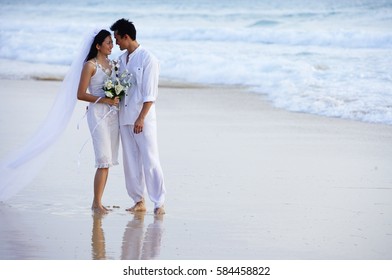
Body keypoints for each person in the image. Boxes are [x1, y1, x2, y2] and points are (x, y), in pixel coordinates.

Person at [110, 19, 166, 215]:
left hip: (143, 119)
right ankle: (138, 201)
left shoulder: (148, 59)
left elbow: (150, 94)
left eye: (117, 38)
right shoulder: (120, 60)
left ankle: (159, 203)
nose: (116, 42)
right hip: (124, 116)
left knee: (150, 160)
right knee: (131, 162)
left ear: (127, 36)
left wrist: (141, 118)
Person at [77, 29, 120, 214]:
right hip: (98, 114)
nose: (112, 45)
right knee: (103, 159)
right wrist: (105, 100)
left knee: (108, 161)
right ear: (98, 46)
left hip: (113, 114)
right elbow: (80, 94)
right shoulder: (90, 65)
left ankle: (99, 202)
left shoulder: (113, 64)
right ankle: (96, 203)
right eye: (108, 42)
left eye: (112, 41)